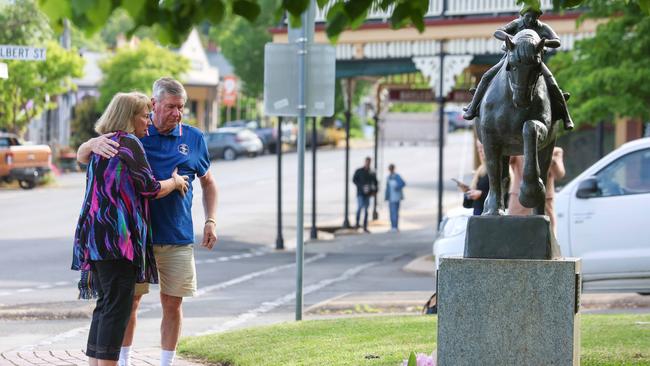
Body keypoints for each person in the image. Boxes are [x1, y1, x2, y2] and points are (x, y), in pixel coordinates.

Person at [77, 78, 219, 366]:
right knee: (126, 304)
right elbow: (147, 186)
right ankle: (124, 361)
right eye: (171, 107)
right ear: (154, 105)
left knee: (171, 302)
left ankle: (165, 362)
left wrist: (210, 220)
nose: (177, 113)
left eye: (181, 107)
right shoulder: (135, 133)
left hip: (175, 234)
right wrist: (91, 142)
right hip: (136, 239)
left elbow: (209, 183)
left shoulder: (193, 138)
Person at [462, 6, 574, 131]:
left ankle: (565, 116)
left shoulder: (542, 27)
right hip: (512, 59)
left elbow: (556, 41)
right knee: (487, 76)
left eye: (534, 17)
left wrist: (542, 42)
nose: (531, 19)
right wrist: (513, 39)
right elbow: (498, 32)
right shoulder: (516, 24)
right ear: (522, 15)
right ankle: (473, 108)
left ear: (538, 17)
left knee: (552, 83)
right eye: (528, 16)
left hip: (534, 62)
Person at [508, 147, 565, 234]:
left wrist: (549, 158)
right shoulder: (519, 149)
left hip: (544, 200)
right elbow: (505, 160)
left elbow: (559, 174)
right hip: (518, 199)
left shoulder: (555, 151)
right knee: (514, 232)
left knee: (546, 234)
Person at [462, 141, 489, 215]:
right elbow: (468, 205)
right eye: (478, 148)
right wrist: (468, 191)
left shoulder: (500, 170)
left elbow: (503, 198)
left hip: (487, 216)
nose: (480, 151)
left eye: (482, 147)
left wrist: (481, 194)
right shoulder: (480, 170)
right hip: (478, 214)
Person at [352, 156, 378, 233]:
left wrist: (374, 191)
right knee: (360, 207)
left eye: (369, 162)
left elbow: (375, 183)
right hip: (360, 193)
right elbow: (354, 180)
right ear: (365, 162)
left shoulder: (371, 172)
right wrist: (361, 186)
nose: (368, 163)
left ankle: (365, 226)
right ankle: (357, 224)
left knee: (366, 210)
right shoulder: (359, 171)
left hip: (368, 194)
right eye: (367, 162)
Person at [385, 164, 406, 232]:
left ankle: (395, 227)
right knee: (392, 213)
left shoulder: (397, 176)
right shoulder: (389, 177)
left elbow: (403, 183)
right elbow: (387, 188)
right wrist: (386, 196)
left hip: (396, 197)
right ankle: (393, 226)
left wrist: (397, 187)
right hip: (391, 198)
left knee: (395, 212)